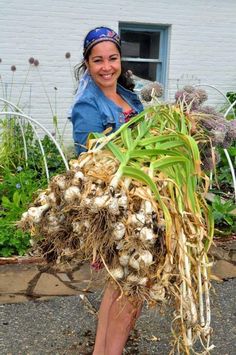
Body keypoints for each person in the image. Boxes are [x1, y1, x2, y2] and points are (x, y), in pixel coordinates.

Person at [70, 26, 144, 355]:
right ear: (87, 64)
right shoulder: (88, 106)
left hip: (142, 203)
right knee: (131, 291)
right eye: (97, 60)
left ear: (120, 59)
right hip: (115, 209)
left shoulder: (129, 97)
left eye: (112, 58)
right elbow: (89, 164)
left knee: (119, 290)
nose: (106, 67)